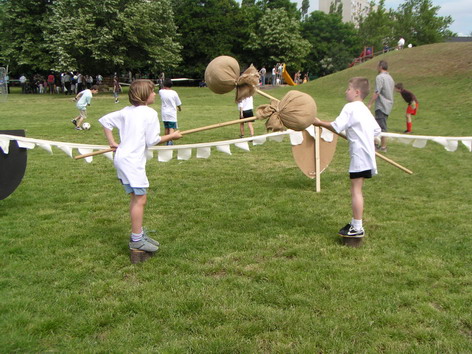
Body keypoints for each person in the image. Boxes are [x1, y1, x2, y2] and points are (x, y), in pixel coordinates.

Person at [98, 79, 183, 253]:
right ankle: (137, 240)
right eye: (152, 92)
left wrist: (112, 142)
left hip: (122, 158)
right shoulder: (149, 113)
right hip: (132, 162)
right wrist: (172, 136)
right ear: (145, 95)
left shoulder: (126, 111)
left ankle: (138, 233)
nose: (154, 94)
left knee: (136, 198)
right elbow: (152, 141)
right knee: (140, 199)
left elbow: (105, 121)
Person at [314, 77, 381, 238]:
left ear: (357, 92)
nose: (346, 91)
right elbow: (376, 131)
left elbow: (336, 126)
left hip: (359, 156)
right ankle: (356, 223)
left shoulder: (350, 107)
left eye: (348, 89)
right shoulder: (364, 109)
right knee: (357, 189)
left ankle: (357, 226)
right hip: (367, 155)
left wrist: (319, 122)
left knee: (356, 191)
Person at [368, 60, 394, 152]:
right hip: (388, 105)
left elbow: (377, 92)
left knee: (380, 127)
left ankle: (383, 147)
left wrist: (370, 104)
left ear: (380, 67)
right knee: (378, 125)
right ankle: (376, 144)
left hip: (381, 105)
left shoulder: (380, 77)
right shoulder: (390, 78)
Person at [158, 78, 182, 145]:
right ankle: (170, 141)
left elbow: (161, 88)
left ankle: (166, 140)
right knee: (171, 127)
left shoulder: (161, 92)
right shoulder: (174, 93)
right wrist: (179, 108)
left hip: (164, 112)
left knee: (166, 127)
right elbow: (178, 103)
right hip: (172, 112)